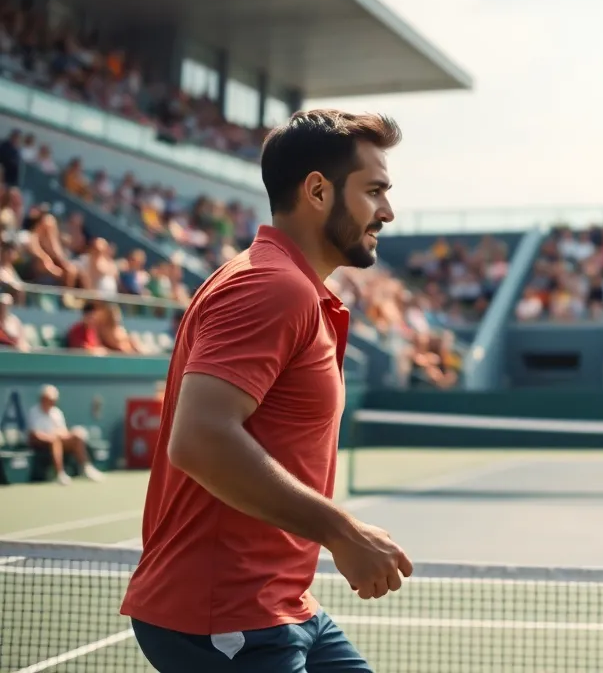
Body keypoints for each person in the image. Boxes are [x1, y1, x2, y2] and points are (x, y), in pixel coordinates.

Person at [120, 109, 412, 672]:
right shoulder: (271, 287)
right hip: (224, 615)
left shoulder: (291, 287)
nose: (388, 211)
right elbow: (200, 440)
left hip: (283, 608)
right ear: (319, 191)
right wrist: (343, 532)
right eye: (374, 190)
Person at [26, 384, 103, 484]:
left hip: (57, 440)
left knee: (77, 437)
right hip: (40, 443)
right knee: (55, 440)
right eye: (49, 399)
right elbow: (34, 434)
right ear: (42, 398)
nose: (52, 402)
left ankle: (86, 468)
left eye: (53, 400)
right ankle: (60, 474)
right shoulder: (34, 412)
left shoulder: (56, 412)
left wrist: (68, 435)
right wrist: (52, 437)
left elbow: (63, 431)